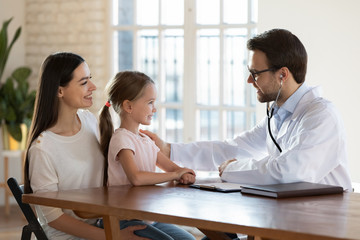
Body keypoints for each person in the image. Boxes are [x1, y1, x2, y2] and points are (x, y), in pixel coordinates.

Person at [142, 28, 352, 192]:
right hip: (288, 219)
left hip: (323, 227)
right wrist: (169, 149)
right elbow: (231, 149)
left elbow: (288, 172)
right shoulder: (278, 115)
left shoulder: (321, 116)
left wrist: (232, 168)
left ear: (283, 75)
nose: (250, 80)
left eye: (256, 73)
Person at [23, 52, 149, 240]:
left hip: (105, 223)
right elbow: (54, 218)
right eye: (83, 82)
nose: (93, 86)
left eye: (90, 79)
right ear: (59, 91)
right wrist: (114, 236)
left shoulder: (89, 120)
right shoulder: (43, 149)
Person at [98, 70, 196, 240]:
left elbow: (170, 167)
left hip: (146, 217)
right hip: (123, 220)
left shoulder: (145, 139)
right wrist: (174, 175)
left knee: (189, 239)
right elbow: (136, 178)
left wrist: (184, 173)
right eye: (150, 102)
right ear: (128, 106)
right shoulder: (121, 139)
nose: (155, 109)